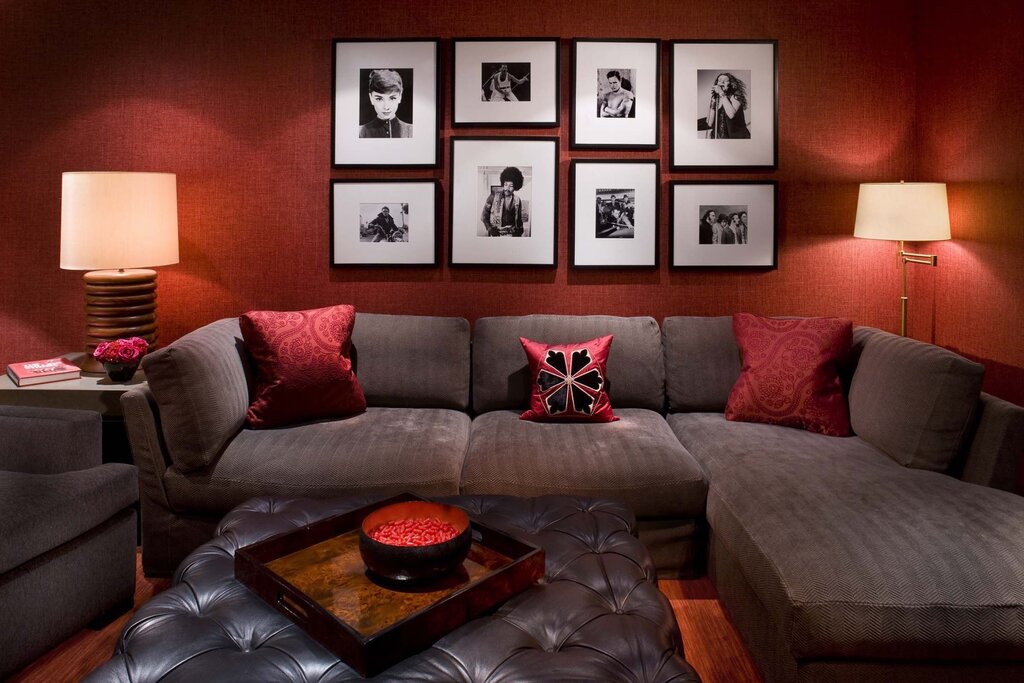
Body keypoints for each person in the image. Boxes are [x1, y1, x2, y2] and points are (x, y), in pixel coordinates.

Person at [358, 69, 412, 139]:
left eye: (392, 98)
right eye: (379, 99)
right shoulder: (360, 132)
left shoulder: (412, 131)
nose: (386, 107)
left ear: (400, 96)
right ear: (371, 98)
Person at [480, 166, 526, 236]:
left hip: (512, 236)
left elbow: (519, 221)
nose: (507, 188)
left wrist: (519, 232)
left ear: (516, 186)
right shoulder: (493, 196)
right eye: (505, 185)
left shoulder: (517, 200)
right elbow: (484, 216)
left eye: (511, 186)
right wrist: (490, 229)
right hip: (496, 235)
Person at [703, 72, 750, 139]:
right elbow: (709, 123)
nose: (721, 82)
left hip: (736, 138)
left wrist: (721, 93)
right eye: (719, 80)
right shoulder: (716, 99)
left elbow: (731, 115)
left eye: (725, 81)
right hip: (719, 138)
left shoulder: (736, 96)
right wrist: (713, 101)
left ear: (731, 84)